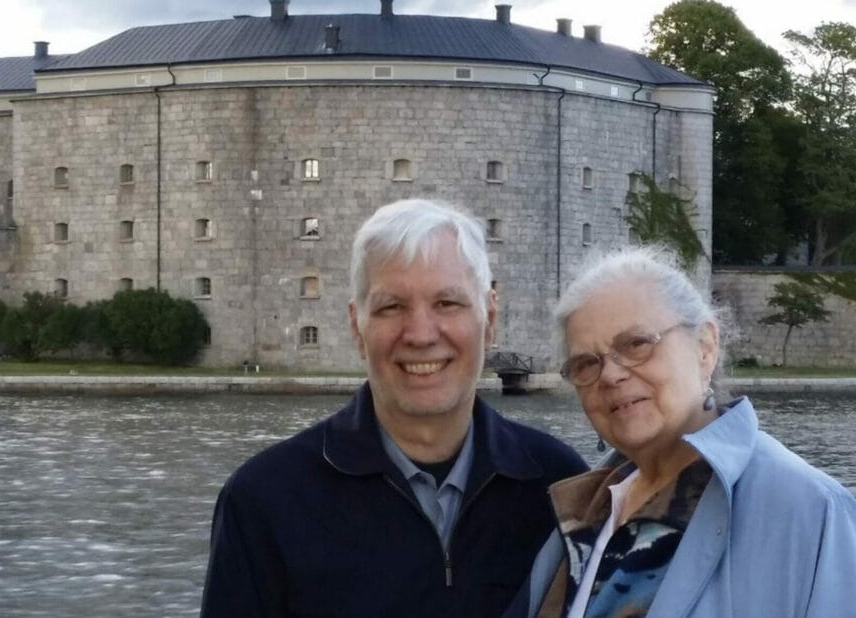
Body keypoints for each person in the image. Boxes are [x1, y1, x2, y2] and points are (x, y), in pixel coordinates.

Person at [200, 198, 588, 617]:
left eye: (447, 303)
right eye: (391, 307)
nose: (420, 334)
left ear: (489, 318)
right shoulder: (265, 500)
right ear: (357, 326)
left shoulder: (561, 487)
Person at [506, 246, 856, 618]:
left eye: (637, 343)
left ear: (705, 347)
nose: (611, 374)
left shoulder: (810, 510)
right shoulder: (583, 514)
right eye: (586, 364)